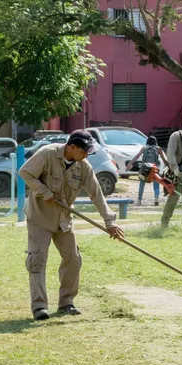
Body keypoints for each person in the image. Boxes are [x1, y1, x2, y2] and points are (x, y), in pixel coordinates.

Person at [19, 130, 125, 321]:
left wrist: (109, 221)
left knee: (73, 260)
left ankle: (66, 303)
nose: (86, 155)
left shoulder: (83, 167)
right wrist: (44, 191)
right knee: (37, 260)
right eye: (83, 151)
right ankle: (39, 307)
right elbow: (25, 172)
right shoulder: (48, 154)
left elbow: (96, 194)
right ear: (72, 147)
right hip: (40, 218)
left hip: (63, 220)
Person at [129, 135, 167, 206]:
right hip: (154, 169)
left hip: (145, 169)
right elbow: (164, 159)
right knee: (156, 184)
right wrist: (168, 165)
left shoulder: (144, 148)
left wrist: (130, 163)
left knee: (142, 185)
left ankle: (139, 200)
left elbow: (137, 156)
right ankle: (156, 199)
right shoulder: (158, 149)